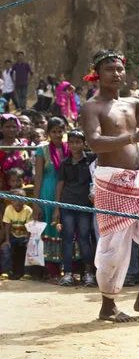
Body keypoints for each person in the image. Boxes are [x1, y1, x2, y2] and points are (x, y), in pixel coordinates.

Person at [81, 50, 139, 322]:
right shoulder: (92, 106)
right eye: (110, 69)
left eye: (120, 69)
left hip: (138, 181)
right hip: (111, 181)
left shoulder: (133, 103)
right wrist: (133, 137)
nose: (116, 73)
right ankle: (107, 305)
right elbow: (95, 143)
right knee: (114, 246)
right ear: (97, 73)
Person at [53, 129, 97, 287]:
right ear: (68, 143)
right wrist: (57, 207)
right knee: (68, 237)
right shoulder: (65, 163)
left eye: (78, 142)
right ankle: (68, 273)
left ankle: (88, 273)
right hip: (67, 204)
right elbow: (60, 185)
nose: (74, 145)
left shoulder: (91, 159)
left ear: (84, 143)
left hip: (85, 206)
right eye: (71, 142)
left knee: (85, 238)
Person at [32, 116, 69, 279]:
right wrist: (36, 203)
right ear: (48, 133)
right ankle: (53, 272)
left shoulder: (71, 147)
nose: (57, 134)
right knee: (50, 228)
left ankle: (69, 269)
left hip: (68, 192)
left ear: (64, 131)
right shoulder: (42, 150)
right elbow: (38, 177)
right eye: (53, 131)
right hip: (47, 192)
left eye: (60, 131)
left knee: (67, 229)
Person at [2, 189, 32, 280]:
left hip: (25, 237)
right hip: (13, 236)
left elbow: (29, 228)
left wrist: (29, 241)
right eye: (15, 200)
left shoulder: (28, 210)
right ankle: (6, 271)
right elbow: (7, 225)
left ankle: (28, 273)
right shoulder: (8, 209)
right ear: (11, 201)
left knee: (30, 249)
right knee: (5, 249)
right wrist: (7, 240)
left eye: (21, 199)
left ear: (25, 200)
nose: (18, 202)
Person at [0, 114, 33, 188]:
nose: (11, 129)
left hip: (22, 187)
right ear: (1, 128)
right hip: (2, 188)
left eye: (14, 127)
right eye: (7, 127)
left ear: (18, 128)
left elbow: (29, 165)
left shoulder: (25, 144)